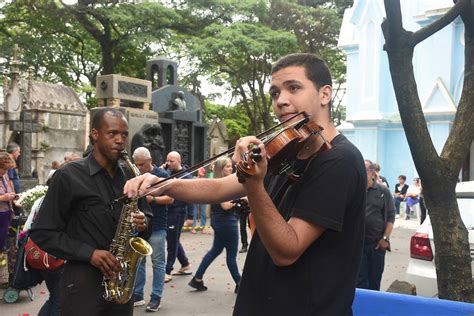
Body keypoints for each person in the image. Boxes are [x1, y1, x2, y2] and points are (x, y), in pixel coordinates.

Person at [124, 53, 367, 315]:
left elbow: (287, 250)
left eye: (294, 88)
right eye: (275, 93)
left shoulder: (339, 160)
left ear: (324, 94)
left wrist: (253, 181)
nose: (281, 101)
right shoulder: (289, 149)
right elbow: (220, 187)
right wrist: (164, 183)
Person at [29, 108, 152, 316]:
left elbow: (148, 219)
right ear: (95, 134)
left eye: (124, 134)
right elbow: (42, 232)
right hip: (82, 285)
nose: (120, 140)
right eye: (112, 133)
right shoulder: (68, 176)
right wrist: (89, 254)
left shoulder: (131, 175)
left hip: (120, 284)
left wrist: (143, 222)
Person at [188, 157, 241, 293]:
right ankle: (239, 283)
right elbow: (225, 205)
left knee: (215, 250)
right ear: (221, 169)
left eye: (231, 166)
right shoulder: (222, 184)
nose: (231, 168)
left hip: (220, 221)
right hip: (227, 223)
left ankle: (197, 278)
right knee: (231, 256)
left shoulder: (218, 182)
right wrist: (240, 199)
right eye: (228, 166)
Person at [131, 147, 173, 312]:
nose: (139, 167)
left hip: (157, 224)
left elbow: (170, 198)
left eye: (142, 164)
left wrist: (152, 198)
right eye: (137, 164)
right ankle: (138, 294)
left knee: (158, 262)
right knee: (139, 261)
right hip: (140, 224)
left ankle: (156, 297)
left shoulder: (161, 175)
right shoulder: (135, 174)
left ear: (150, 160)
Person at [23, 173, 62, 316]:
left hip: (40, 255)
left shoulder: (40, 200)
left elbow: (26, 229)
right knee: (60, 300)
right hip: (57, 256)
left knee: (55, 297)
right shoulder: (62, 202)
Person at [357, 159, 395, 291]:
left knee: (374, 280)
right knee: (359, 282)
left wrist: (385, 239)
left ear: (372, 173)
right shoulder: (354, 191)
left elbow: (391, 216)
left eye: (365, 170)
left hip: (377, 245)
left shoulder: (383, 191)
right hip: (358, 245)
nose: (361, 172)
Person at [162, 151, 193, 283]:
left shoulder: (186, 177)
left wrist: (191, 216)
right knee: (173, 239)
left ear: (179, 161)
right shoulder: (167, 173)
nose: (168, 163)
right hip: (168, 211)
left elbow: (192, 197)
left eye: (171, 161)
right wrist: (162, 169)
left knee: (172, 242)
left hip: (178, 211)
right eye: (167, 161)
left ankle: (167, 270)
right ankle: (185, 265)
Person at [0, 152, 16, 267]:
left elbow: (9, 188)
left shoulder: (4, 175)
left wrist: (12, 196)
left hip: (6, 212)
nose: (5, 172)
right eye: (4, 169)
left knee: (2, 242)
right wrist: (3, 197)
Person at [191, 167, 209, 234]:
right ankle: (193, 227)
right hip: (195, 197)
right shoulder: (194, 178)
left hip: (203, 198)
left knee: (203, 213)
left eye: (202, 173)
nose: (201, 174)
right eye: (200, 172)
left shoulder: (205, 180)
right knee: (194, 212)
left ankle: (203, 227)